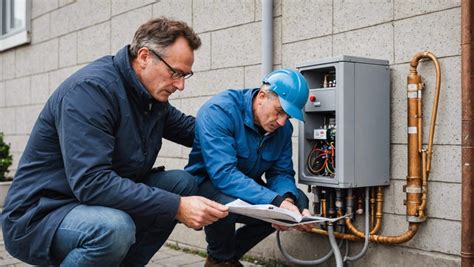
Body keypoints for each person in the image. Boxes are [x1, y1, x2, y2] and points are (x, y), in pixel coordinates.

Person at [1, 17, 228, 266]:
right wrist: (176, 207)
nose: (181, 85)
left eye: (186, 75)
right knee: (113, 229)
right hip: (41, 214)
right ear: (144, 57)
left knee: (181, 183)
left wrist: (249, 121)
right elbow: (91, 183)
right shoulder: (91, 91)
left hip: (88, 203)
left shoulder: (151, 99)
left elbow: (197, 132)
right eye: (175, 72)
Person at [185, 69, 312, 267]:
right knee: (226, 204)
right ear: (262, 96)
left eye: (288, 116)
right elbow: (224, 175)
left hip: (246, 184)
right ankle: (222, 258)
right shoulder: (220, 111)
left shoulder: (283, 129)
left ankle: (222, 259)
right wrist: (275, 201)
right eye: (279, 111)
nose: (282, 122)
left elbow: (281, 172)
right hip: (208, 184)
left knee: (298, 200)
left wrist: (287, 202)